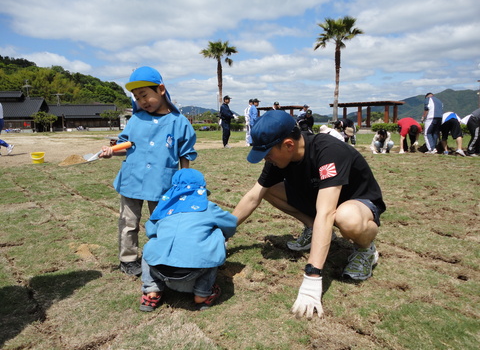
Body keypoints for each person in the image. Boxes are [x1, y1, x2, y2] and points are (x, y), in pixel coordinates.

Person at [232, 111, 385, 319]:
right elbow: (253, 197)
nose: (266, 159)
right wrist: (224, 232)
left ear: (288, 145)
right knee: (268, 189)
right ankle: (316, 230)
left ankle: (366, 249)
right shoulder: (280, 159)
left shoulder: (329, 151)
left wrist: (312, 277)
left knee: (345, 218)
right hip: (323, 202)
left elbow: (327, 211)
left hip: (358, 204)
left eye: (267, 153)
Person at [99, 66, 197, 276]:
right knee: (128, 223)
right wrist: (111, 151)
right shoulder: (135, 120)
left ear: (161, 90)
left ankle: (160, 256)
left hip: (163, 183)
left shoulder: (179, 122)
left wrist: (183, 181)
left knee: (162, 223)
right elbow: (123, 145)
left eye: (144, 95)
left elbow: (185, 153)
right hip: (132, 181)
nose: (141, 101)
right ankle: (128, 259)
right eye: (136, 97)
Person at [139, 169, 237, 312]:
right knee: (216, 235)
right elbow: (231, 224)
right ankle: (202, 294)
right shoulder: (208, 207)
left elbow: (150, 232)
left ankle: (151, 291)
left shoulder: (162, 209)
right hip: (195, 269)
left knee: (151, 246)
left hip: (159, 268)